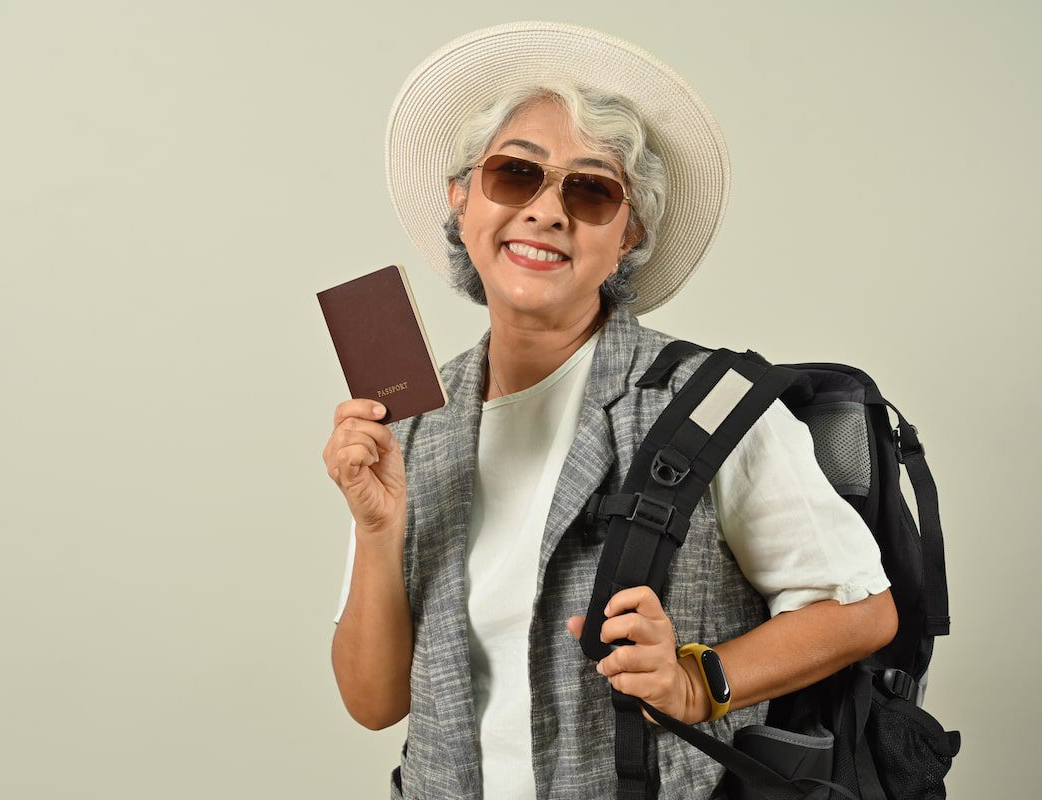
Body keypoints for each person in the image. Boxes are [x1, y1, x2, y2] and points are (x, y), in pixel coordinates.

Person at [323, 21, 898, 800]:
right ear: (461, 199)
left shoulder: (707, 404)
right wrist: (378, 528)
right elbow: (375, 703)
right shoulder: (414, 422)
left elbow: (862, 613)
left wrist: (699, 681)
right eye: (515, 174)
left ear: (629, 235)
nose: (548, 210)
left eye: (590, 189)